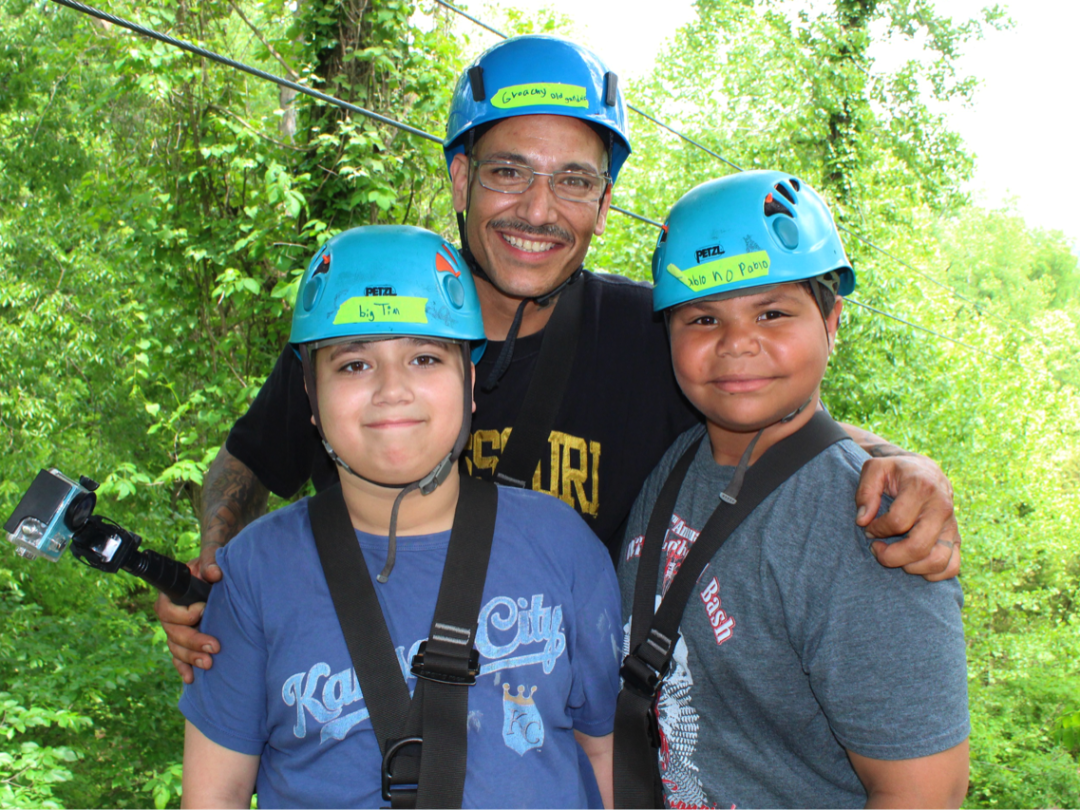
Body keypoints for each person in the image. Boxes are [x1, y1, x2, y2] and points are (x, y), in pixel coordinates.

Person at [159, 34, 961, 682]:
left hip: (557, 730)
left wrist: (900, 463)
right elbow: (245, 465)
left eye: (575, 182)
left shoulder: (647, 335)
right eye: (509, 172)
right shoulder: (379, 331)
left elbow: (763, 406)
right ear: (461, 177)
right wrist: (216, 585)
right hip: (360, 702)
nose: (538, 211)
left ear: (605, 203)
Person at [179, 225, 622, 809]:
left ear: (469, 383)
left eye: (424, 357)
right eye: (354, 365)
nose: (392, 389)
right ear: (310, 398)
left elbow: (602, 755)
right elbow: (217, 794)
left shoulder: (561, 543)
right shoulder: (255, 575)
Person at [615, 173, 969, 809]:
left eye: (772, 312)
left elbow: (924, 795)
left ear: (832, 319)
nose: (737, 343)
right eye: (702, 318)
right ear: (667, 333)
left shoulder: (867, 528)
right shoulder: (679, 457)